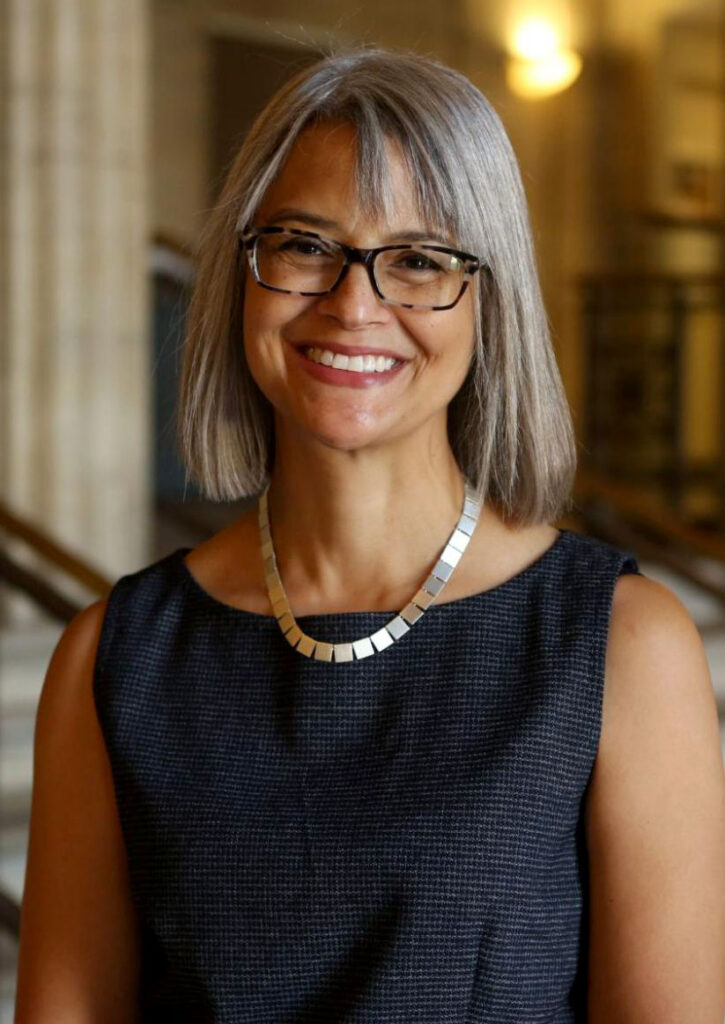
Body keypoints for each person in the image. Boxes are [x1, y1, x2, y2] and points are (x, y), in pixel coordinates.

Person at [15, 46, 725, 1023]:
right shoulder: (113, 658)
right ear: (241, 272)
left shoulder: (621, 647)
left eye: (420, 259)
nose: (354, 304)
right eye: (304, 245)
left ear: (490, 302)